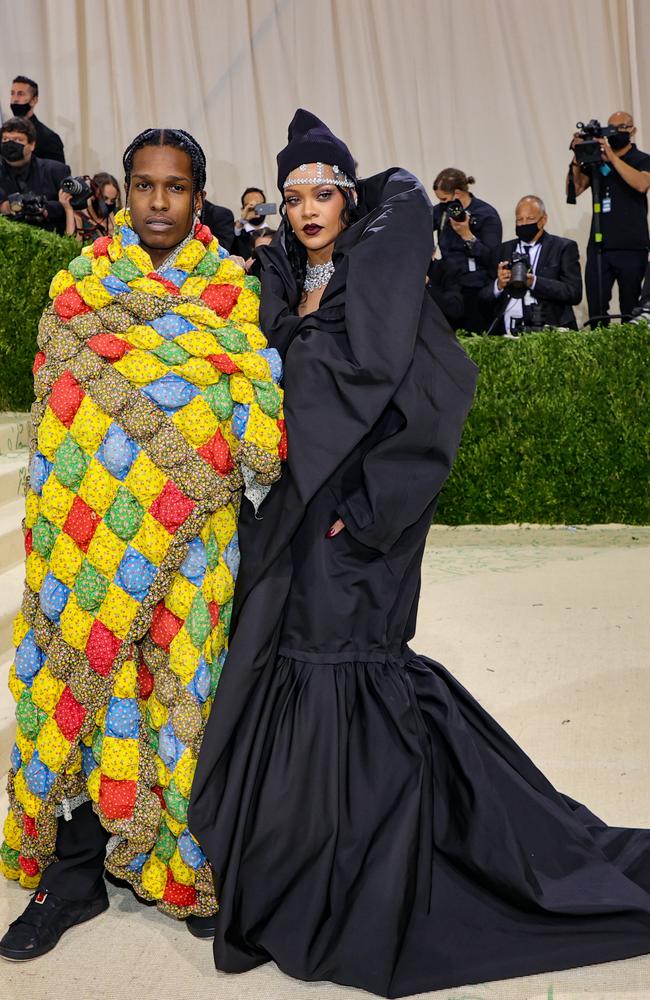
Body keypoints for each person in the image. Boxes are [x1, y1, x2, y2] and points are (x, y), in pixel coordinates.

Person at [189, 109, 650, 999]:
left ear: (348, 196)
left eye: (323, 191)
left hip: (359, 533)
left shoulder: (383, 284)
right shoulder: (278, 291)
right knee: (291, 669)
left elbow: (441, 401)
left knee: (350, 674)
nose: (306, 208)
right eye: (291, 196)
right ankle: (297, 862)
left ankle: (368, 869)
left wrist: (365, 518)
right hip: (290, 525)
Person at [0, 127, 285, 961]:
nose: (159, 201)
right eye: (145, 185)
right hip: (89, 538)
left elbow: (254, 396)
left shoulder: (230, 292)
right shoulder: (80, 288)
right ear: (122, 191)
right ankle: (77, 869)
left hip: (194, 542)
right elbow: (57, 407)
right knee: (87, 684)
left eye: (177, 187)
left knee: (186, 685)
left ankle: (179, 859)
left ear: (200, 197)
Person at [568, 111, 650, 324]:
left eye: (620, 127)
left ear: (632, 130)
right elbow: (574, 190)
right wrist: (577, 158)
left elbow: (642, 184)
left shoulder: (642, 159)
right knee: (596, 311)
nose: (614, 132)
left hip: (631, 246)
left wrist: (611, 157)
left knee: (630, 311)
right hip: (599, 247)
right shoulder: (596, 161)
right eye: (610, 127)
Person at [482, 195, 582, 334]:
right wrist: (498, 285)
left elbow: (573, 293)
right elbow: (483, 295)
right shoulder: (502, 250)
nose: (524, 224)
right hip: (507, 330)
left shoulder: (562, 247)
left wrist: (534, 282)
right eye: (519, 220)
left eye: (530, 219)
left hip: (550, 328)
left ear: (544, 220)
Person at [432, 167, 502, 332]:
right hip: (450, 287)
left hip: (476, 289)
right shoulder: (440, 212)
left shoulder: (486, 214)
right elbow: (418, 229)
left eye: (444, 199)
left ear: (457, 193)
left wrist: (467, 235)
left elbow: (492, 258)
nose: (442, 204)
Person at [0, 116, 70, 233]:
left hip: (50, 241)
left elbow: (71, 206)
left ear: (32, 145)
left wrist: (44, 209)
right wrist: (5, 207)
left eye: (17, 140)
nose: (10, 144)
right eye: (5, 139)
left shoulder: (56, 170)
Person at [9, 75, 66, 164]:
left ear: (34, 100)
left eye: (20, 94)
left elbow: (58, 174)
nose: (15, 99)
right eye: (12, 93)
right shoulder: (5, 134)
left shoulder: (49, 138)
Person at [59, 172, 121, 243]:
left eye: (113, 200)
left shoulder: (117, 215)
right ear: (93, 194)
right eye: (104, 198)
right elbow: (72, 246)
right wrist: (68, 210)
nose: (108, 203)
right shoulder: (80, 217)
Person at [231, 186, 274, 259]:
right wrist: (242, 221)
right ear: (243, 210)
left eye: (259, 206)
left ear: (266, 208)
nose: (255, 209)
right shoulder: (237, 236)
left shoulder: (276, 235)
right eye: (249, 206)